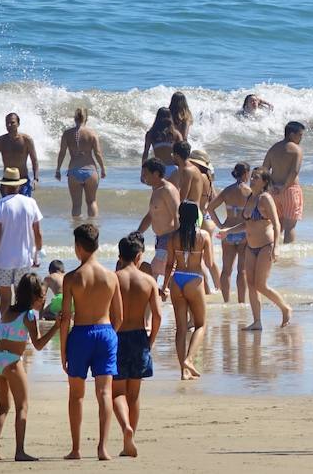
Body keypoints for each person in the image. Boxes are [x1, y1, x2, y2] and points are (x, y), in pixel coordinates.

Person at [59, 223, 135, 460]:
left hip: (80, 334)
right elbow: (119, 317)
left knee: (76, 395)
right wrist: (110, 335)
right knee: (104, 392)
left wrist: (63, 350)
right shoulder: (111, 277)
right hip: (105, 333)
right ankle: (103, 447)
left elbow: (65, 319)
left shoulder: (71, 278)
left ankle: (76, 449)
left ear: (78, 247)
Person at [0, 273, 58, 462]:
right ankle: (20, 452)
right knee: (22, 407)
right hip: (12, 363)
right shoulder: (30, 315)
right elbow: (39, 344)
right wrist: (57, 326)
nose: (44, 300)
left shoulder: (9, 311)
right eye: (42, 296)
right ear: (34, 296)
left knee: (3, 406)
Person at [228, 170, 291, 330]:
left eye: (256, 177)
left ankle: (285, 308)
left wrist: (276, 246)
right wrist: (227, 231)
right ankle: (257, 322)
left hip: (266, 246)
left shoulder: (265, 198)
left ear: (264, 182)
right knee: (251, 284)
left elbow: (276, 224)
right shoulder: (250, 197)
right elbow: (246, 224)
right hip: (251, 247)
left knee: (260, 285)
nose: (252, 179)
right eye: (252, 176)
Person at [113, 233, 161, 439]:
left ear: (119, 256)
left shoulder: (114, 279)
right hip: (140, 337)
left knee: (116, 394)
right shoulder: (149, 281)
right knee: (134, 396)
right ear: (139, 256)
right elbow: (157, 316)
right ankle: (129, 438)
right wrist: (150, 341)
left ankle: (125, 428)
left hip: (117, 338)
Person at [168, 201, 217, 380]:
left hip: (177, 279)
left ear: (180, 215)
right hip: (194, 280)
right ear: (196, 216)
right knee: (200, 324)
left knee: (180, 329)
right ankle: (189, 360)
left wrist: (165, 286)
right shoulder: (203, 236)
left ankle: (183, 371)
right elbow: (210, 263)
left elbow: (169, 264)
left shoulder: (173, 237)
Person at [0, 167, 44, 314]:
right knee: (23, 297)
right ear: (19, 185)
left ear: (4, 185)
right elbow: (38, 233)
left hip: (2, 259)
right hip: (24, 259)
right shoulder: (30, 203)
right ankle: (22, 328)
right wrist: (37, 254)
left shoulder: (1, 204)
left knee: (5, 298)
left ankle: (5, 328)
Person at [209, 162, 252, 303]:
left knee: (226, 270)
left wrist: (220, 225)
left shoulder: (227, 191)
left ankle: (226, 302)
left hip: (227, 232)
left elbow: (210, 208)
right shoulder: (249, 192)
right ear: (246, 173)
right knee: (242, 271)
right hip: (243, 230)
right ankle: (241, 302)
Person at [135, 159, 180, 285]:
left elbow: (177, 215)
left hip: (169, 239)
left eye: (145, 174)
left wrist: (176, 242)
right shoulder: (156, 190)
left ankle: (157, 302)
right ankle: (166, 302)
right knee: (164, 275)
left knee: (153, 274)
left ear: (156, 174)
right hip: (160, 240)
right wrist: (137, 234)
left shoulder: (167, 190)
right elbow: (151, 215)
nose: (143, 177)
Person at [56, 107, 106, 218]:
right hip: (90, 170)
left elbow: (62, 153)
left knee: (76, 205)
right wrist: (102, 168)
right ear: (86, 119)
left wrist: (58, 169)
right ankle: (92, 229)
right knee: (92, 202)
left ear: (75, 118)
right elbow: (98, 153)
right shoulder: (92, 134)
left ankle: (77, 230)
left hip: (74, 171)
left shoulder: (67, 134)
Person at [260, 121, 305, 244]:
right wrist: (284, 187)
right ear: (291, 134)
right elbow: (294, 171)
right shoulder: (297, 150)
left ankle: (274, 249)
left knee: (276, 224)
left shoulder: (273, 148)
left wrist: (269, 186)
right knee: (290, 227)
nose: (301, 138)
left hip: (273, 190)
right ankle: (288, 257)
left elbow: (264, 169)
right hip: (290, 190)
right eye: (300, 135)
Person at [0, 113, 40, 198]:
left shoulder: (26, 140)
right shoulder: (0, 141)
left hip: (23, 180)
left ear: (18, 124)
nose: (9, 125)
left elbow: (34, 160)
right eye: (7, 123)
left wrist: (35, 179)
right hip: (7, 182)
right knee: (7, 208)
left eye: (12, 122)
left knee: (24, 208)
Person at [141, 108, 177, 177]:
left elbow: (146, 153)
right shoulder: (175, 134)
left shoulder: (151, 134)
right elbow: (181, 152)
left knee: (159, 188)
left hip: (159, 170)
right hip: (173, 168)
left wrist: (143, 172)